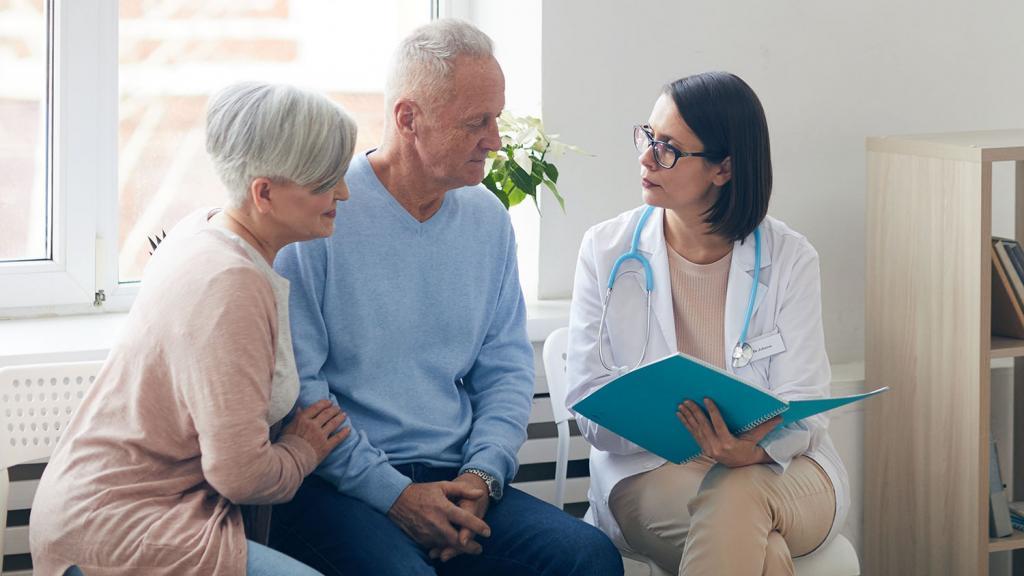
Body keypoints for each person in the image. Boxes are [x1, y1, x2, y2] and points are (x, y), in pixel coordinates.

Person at [270, 19, 623, 576]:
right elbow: (302, 391)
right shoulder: (321, 213)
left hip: (457, 474)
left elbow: (505, 370)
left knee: (588, 557)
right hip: (339, 485)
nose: (496, 140)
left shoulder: (487, 220)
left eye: (497, 118)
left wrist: (481, 476)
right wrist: (394, 495)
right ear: (408, 118)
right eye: (476, 122)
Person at [29, 82, 359, 576]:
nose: (343, 193)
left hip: (116, 504)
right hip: (119, 526)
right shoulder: (232, 282)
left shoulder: (203, 227)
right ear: (263, 192)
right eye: (323, 182)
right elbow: (241, 475)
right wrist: (302, 451)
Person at [565, 71, 850, 576]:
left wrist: (750, 451)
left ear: (723, 169)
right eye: (647, 137)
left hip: (782, 471)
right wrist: (690, 434)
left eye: (669, 148)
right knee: (761, 552)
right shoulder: (605, 250)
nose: (646, 158)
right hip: (653, 472)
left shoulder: (790, 258)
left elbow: (805, 406)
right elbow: (590, 405)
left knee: (738, 496)